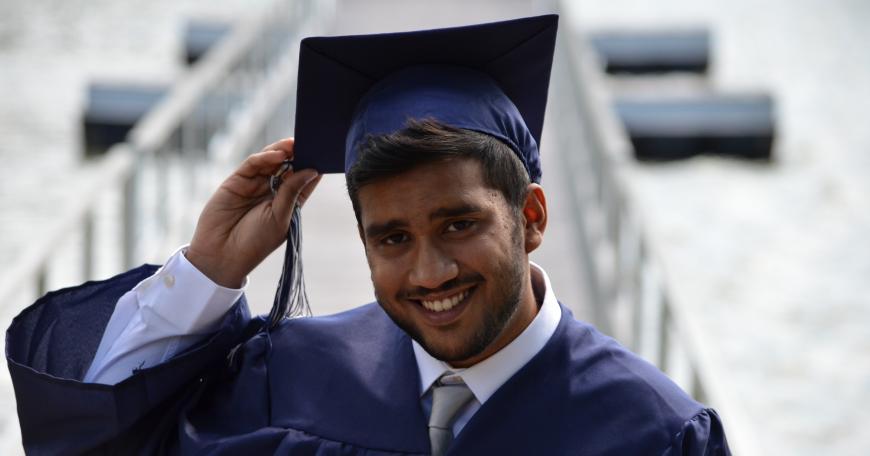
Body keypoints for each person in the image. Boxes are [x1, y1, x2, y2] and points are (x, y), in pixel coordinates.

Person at [6, 15, 730, 455]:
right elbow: (99, 441)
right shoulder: (286, 378)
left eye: (460, 223)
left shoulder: (656, 433)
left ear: (532, 217)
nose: (430, 270)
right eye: (391, 239)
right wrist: (208, 273)